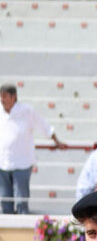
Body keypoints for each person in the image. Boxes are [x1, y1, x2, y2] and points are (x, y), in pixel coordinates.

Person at [0, 83, 61, 214]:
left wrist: (57, 141)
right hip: (2, 164)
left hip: (22, 163)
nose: (2, 100)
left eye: (4, 96)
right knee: (5, 201)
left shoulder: (27, 111)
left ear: (13, 97)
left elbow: (44, 126)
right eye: (1, 97)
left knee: (21, 201)